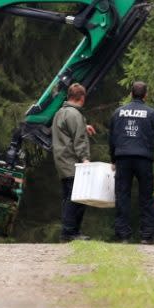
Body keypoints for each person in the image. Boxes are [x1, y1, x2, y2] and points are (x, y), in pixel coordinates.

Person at [109, 81, 154, 244]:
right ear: (145, 95)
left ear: (131, 94)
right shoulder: (152, 113)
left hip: (123, 159)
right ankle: (147, 235)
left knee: (122, 196)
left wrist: (113, 159)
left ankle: (123, 236)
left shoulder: (118, 113)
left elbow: (112, 138)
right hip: (143, 159)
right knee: (146, 197)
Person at [52, 83, 96, 242]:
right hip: (73, 163)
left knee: (68, 197)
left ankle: (70, 231)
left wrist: (84, 126)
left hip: (62, 161)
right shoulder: (75, 115)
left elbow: (68, 131)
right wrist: (85, 159)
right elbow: (79, 140)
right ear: (82, 98)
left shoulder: (60, 112)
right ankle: (70, 233)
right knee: (76, 198)